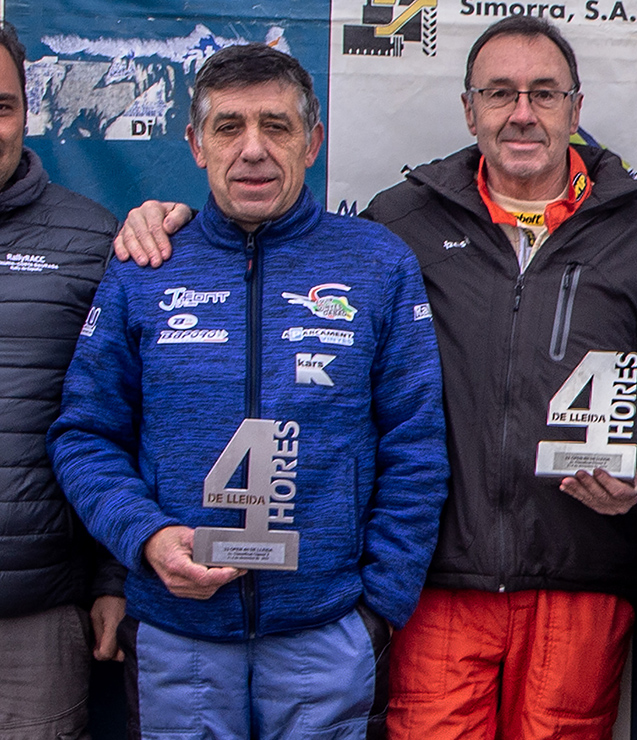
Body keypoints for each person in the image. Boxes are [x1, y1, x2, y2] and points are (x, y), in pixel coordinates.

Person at [110, 16, 637, 740]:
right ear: (468, 108)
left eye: (545, 94)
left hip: (578, 566)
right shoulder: (400, 226)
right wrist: (165, 220)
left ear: (576, 108)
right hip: (442, 579)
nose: (522, 113)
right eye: (500, 93)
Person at [47, 43, 449, 739]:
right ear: (196, 144)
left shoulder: (378, 263)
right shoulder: (145, 264)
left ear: (313, 141)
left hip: (327, 634)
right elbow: (85, 436)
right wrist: (145, 538)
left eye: (277, 126)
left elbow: (416, 446)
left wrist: (376, 607)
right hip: (178, 634)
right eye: (229, 127)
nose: (253, 149)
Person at [0, 20, 127, 740]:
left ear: (27, 112)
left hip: (37, 616)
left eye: (1, 105)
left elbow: (117, 420)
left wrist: (112, 579)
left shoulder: (91, 239)